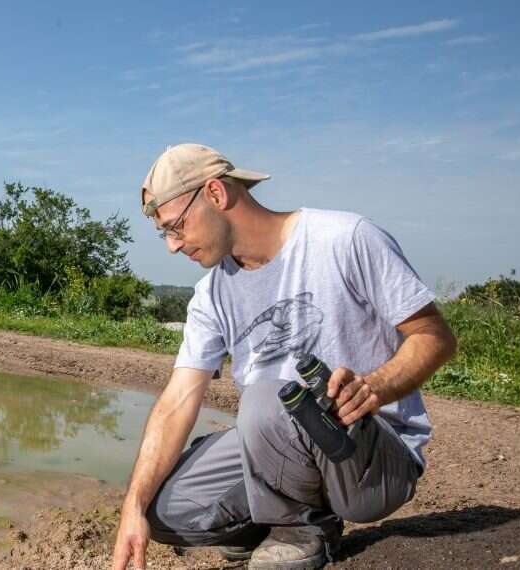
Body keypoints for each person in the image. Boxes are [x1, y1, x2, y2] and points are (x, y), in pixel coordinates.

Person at [110, 144, 457, 570]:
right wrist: (133, 504)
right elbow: (177, 400)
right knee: (163, 508)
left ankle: (301, 529)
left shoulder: (344, 239)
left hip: (370, 455)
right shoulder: (212, 295)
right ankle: (271, 524)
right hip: (280, 441)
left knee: (267, 397)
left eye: (176, 226)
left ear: (216, 194)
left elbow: (434, 336)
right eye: (164, 233)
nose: (172, 246)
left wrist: (374, 387)